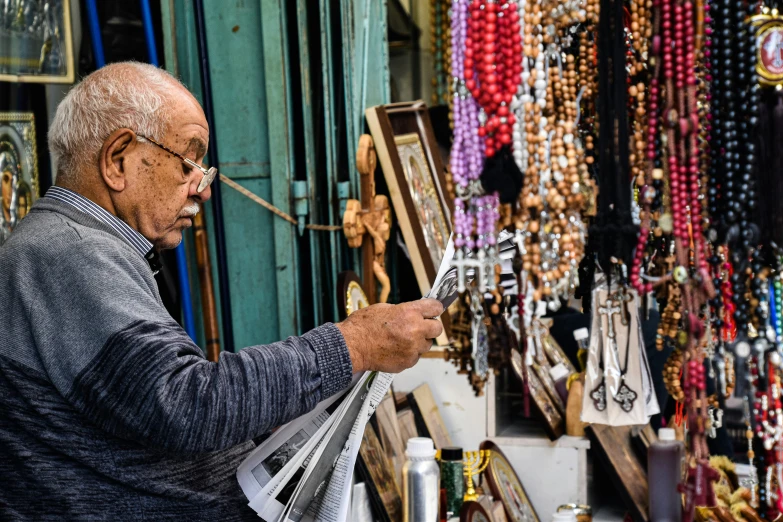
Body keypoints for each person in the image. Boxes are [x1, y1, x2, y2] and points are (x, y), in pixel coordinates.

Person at [0, 62, 444, 520]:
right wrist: (353, 344)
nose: (203, 190)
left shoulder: (83, 247)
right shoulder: (68, 253)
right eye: (190, 163)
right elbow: (184, 404)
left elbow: (158, 407)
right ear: (118, 160)